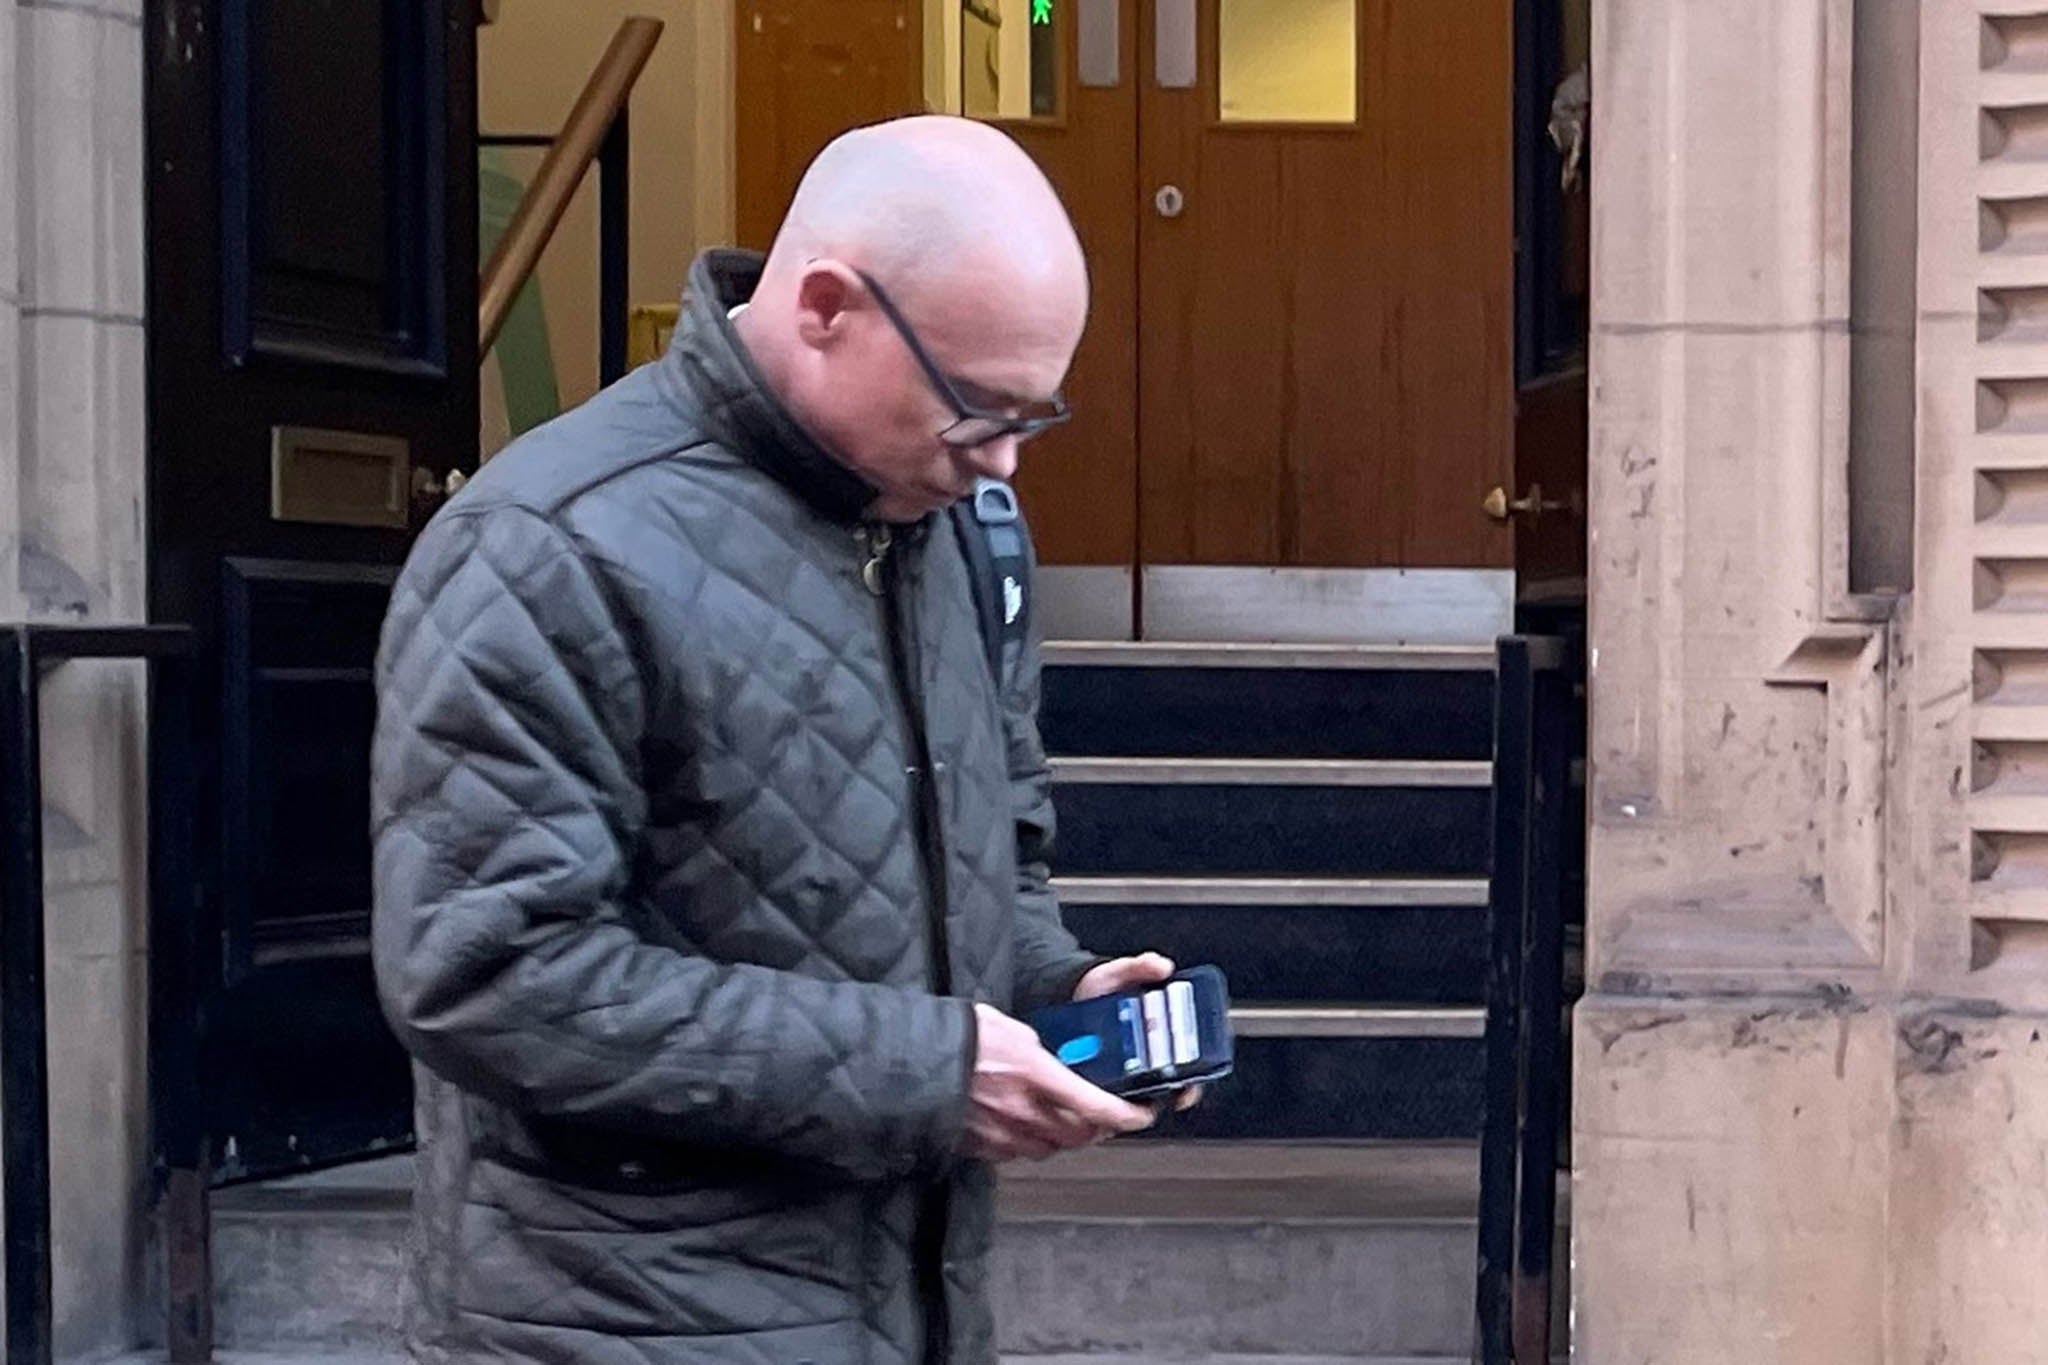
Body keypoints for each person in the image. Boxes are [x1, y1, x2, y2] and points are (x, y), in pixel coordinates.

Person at [370, 114, 1185, 1364]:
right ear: (823, 308)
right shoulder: (544, 544)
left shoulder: (958, 531)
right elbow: (486, 974)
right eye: (975, 409)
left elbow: (992, 857)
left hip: (903, 1306)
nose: (1003, 461)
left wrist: (1051, 991)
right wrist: (927, 1073)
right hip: (619, 1324)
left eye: (1035, 415)